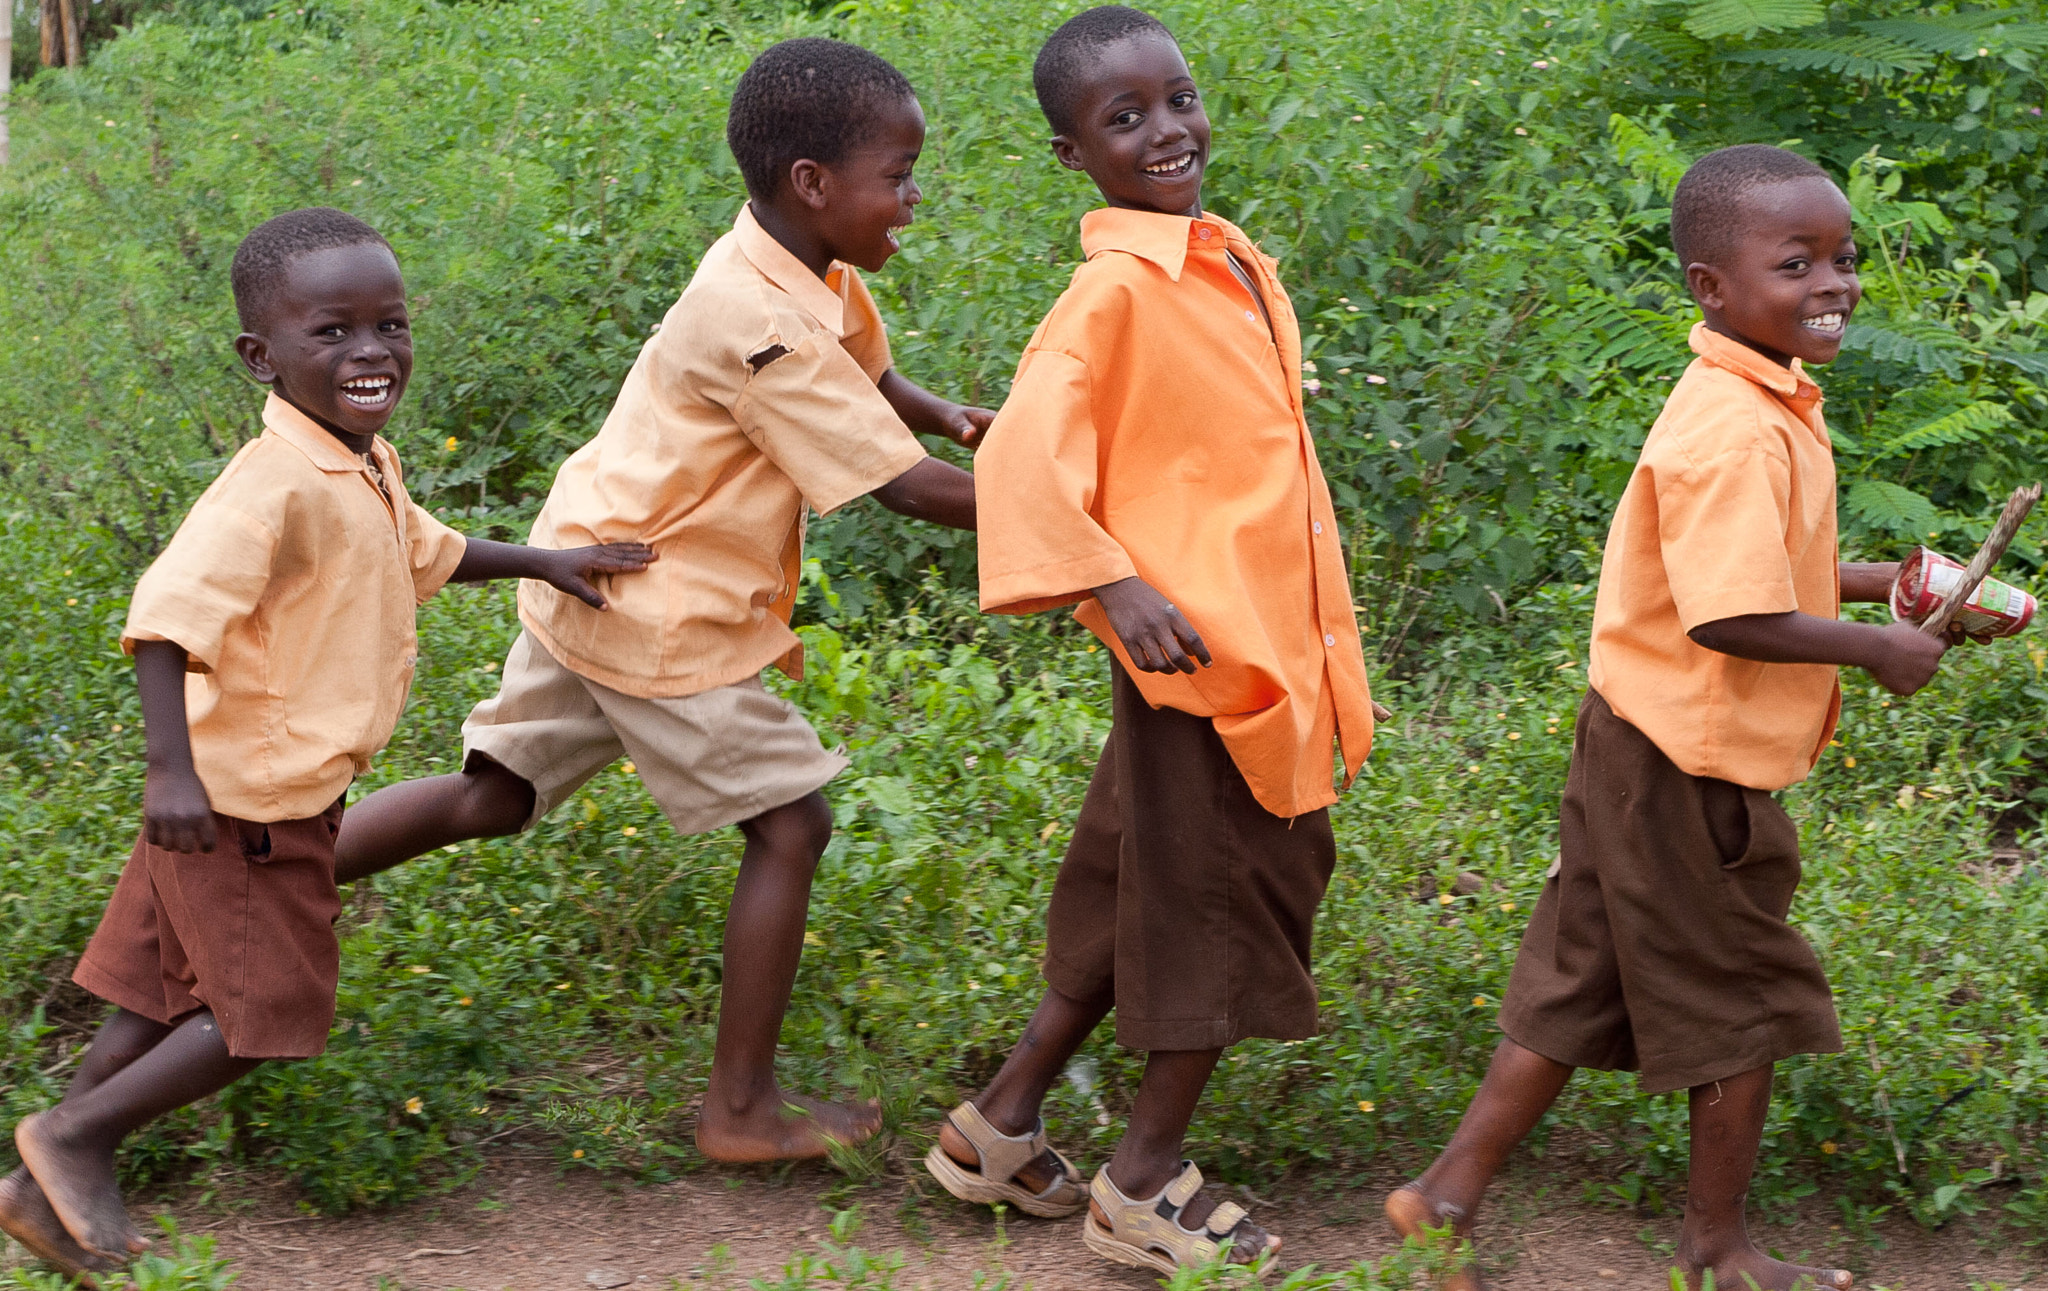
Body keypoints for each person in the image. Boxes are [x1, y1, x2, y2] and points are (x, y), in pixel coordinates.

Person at [328, 38, 988, 1165]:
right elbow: (903, 492)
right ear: (814, 185)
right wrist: (1074, 521)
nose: (913, 197)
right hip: (658, 602)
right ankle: (739, 1111)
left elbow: (870, 377)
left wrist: (956, 417)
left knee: (493, 794)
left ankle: (249, 879)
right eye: (900, 174)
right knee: (792, 823)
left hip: (585, 557)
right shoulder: (761, 320)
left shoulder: (793, 261)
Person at [0, 207, 652, 1281]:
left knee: (153, 997)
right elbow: (164, 619)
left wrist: (542, 560)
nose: (369, 352)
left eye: (388, 325)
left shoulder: (362, 460)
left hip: (240, 797)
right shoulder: (270, 486)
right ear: (260, 356)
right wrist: (169, 771)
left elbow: (425, 547)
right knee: (259, 1020)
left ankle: (41, 1183)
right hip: (247, 809)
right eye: (332, 333)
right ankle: (74, 1139)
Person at [1384, 145, 1950, 1291]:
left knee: (1578, 978)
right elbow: (1730, 614)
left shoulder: (1761, 395)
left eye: (1841, 259)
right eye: (1794, 264)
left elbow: (1770, 567)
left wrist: (1881, 580)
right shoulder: (1731, 426)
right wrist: (1877, 652)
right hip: (1686, 764)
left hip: (1638, 742)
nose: (1831, 284)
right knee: (1743, 995)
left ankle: (1439, 1198)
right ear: (1709, 287)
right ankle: (1716, 1249)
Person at [924, 6, 1377, 1274]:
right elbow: (1022, 453)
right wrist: (1112, 587)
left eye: (1175, 99)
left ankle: (996, 1128)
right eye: (1123, 121)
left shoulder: (1221, 258)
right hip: (1203, 662)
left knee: (1131, 883)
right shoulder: (1113, 290)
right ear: (1073, 156)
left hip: (1254, 649)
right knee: (1218, 905)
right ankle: (1140, 1184)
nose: (1165, 132)